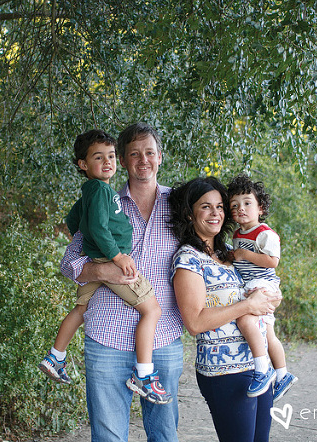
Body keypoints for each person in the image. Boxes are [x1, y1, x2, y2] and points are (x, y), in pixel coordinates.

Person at [60, 123, 185, 442]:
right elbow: (70, 262)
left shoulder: (180, 207)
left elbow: (203, 252)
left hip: (163, 336)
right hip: (107, 336)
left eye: (150, 152)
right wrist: (102, 271)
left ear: (160, 157)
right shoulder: (102, 200)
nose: (143, 160)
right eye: (134, 154)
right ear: (125, 160)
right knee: (108, 437)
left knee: (165, 434)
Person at [39, 129, 170, 404]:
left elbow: (74, 220)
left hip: (97, 257)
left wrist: (90, 244)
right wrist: (116, 257)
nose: (107, 162)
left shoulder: (90, 192)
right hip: (111, 261)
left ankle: (56, 356)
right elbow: (98, 228)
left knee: (80, 308)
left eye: (110, 156)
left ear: (159, 157)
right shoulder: (101, 190)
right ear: (83, 164)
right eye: (99, 157)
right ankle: (143, 375)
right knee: (152, 309)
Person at [169, 177, 282, 442]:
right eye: (205, 206)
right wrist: (248, 305)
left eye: (220, 206)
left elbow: (264, 286)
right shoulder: (188, 259)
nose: (215, 213)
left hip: (259, 367)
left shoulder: (231, 252)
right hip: (225, 371)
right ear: (189, 213)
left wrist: (271, 298)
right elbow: (195, 323)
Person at [228, 173, 297, 401]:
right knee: (268, 334)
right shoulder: (238, 233)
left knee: (245, 320)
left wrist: (244, 254)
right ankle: (283, 374)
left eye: (247, 203)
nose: (241, 208)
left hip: (262, 284)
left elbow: (272, 261)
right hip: (251, 284)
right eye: (235, 205)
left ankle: (262, 370)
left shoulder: (264, 233)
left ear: (261, 208)